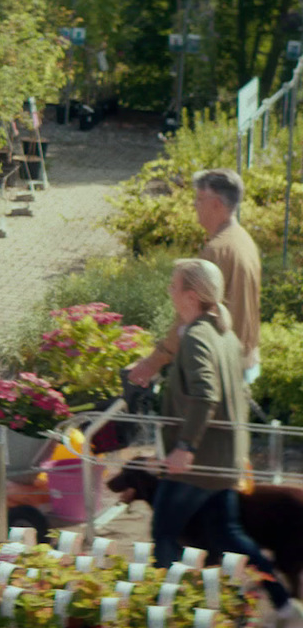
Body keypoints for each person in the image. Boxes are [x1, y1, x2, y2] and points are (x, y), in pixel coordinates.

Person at [154, 259, 297, 619]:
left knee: (164, 532)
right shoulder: (224, 334)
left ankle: (170, 611)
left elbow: (206, 394)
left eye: (173, 287)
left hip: (198, 462)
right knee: (227, 534)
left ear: (190, 296)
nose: (169, 292)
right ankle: (282, 603)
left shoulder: (198, 338)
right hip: (224, 459)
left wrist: (184, 447)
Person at [128, 168, 262, 387]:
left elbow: (191, 314)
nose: (194, 205)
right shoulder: (244, 241)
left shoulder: (216, 251)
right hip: (241, 358)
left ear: (216, 204)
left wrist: (155, 360)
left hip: (218, 367)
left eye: (200, 199)